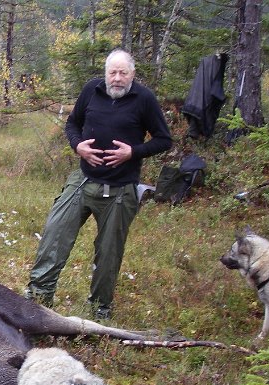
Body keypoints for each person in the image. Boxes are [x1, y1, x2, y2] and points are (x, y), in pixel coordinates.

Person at [26, 49, 172, 319]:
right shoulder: (91, 90)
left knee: (108, 255)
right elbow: (72, 124)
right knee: (54, 238)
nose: (117, 78)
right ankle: (37, 302)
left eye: (123, 73)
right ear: (105, 73)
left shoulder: (144, 99)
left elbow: (164, 139)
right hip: (83, 181)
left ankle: (99, 311)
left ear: (132, 74)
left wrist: (133, 152)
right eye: (112, 72)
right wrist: (77, 146)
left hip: (120, 190)